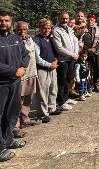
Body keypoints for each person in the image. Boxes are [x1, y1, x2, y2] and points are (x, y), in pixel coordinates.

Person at [0, 10, 29, 162]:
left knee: (11, 113)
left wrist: (23, 67)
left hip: (15, 83)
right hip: (2, 84)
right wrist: (14, 70)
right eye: (1, 20)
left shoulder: (15, 38)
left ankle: (8, 140)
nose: (3, 23)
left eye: (6, 20)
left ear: (11, 22)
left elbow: (25, 54)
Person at [34, 18, 61, 123]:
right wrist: (49, 65)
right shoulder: (36, 40)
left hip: (52, 68)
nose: (46, 30)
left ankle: (51, 108)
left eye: (49, 28)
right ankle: (42, 113)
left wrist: (55, 60)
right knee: (43, 92)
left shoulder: (50, 39)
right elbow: (37, 58)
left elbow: (54, 52)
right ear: (40, 28)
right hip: (43, 69)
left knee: (53, 89)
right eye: (44, 28)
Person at [14, 22, 38, 137]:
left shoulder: (30, 39)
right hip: (21, 75)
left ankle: (25, 118)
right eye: (19, 29)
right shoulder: (14, 40)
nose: (22, 31)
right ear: (15, 29)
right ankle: (15, 125)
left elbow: (35, 53)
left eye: (24, 29)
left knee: (28, 98)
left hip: (31, 72)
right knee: (18, 100)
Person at [52, 11, 79, 111]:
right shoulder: (56, 30)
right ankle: (61, 102)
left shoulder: (69, 29)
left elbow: (75, 41)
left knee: (68, 80)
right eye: (63, 18)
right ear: (59, 18)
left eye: (66, 18)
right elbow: (59, 48)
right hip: (63, 60)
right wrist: (72, 54)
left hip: (71, 59)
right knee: (62, 81)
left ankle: (66, 98)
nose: (65, 20)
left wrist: (76, 53)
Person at [80, 14, 99, 92]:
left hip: (96, 52)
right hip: (87, 53)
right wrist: (88, 49)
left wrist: (95, 48)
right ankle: (89, 85)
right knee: (88, 70)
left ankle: (96, 84)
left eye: (91, 20)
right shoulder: (83, 29)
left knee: (97, 69)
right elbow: (80, 41)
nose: (90, 22)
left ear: (94, 21)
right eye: (88, 20)